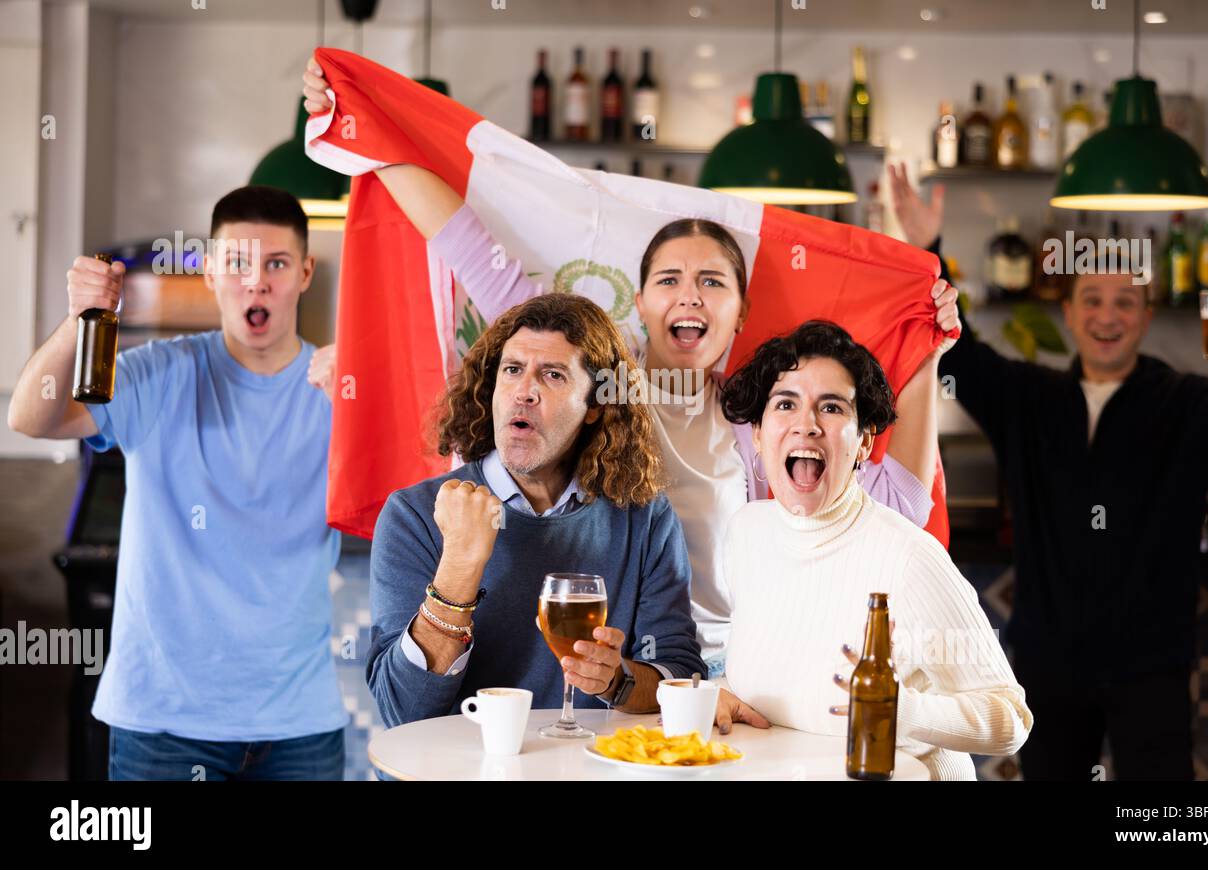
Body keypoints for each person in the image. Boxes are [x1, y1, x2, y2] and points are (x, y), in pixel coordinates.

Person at [300, 56, 960, 678]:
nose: (690, 296)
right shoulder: (586, 373)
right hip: (602, 669)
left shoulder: (759, 422)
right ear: (641, 303)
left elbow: (901, 499)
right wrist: (362, 126)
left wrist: (927, 347)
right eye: (670, 280)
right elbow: (468, 246)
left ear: (740, 310)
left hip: (735, 675)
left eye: (712, 282)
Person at [889, 163, 1208, 780]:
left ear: (1147, 314)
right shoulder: (1029, 398)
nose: (1108, 316)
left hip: (1151, 660)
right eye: (1093, 300)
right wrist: (929, 251)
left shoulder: (1183, 400)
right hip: (1049, 657)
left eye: (1125, 302)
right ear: (1071, 314)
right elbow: (960, 351)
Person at [7, 187, 347, 780]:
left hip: (299, 723)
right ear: (211, 273)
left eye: (276, 264)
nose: (256, 282)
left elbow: (429, 472)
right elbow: (31, 416)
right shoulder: (156, 373)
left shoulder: (335, 387)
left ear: (304, 273)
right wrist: (79, 318)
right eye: (237, 263)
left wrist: (368, 392)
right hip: (162, 721)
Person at [709, 321, 1033, 781]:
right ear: (758, 436)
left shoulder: (907, 558)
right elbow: (782, 667)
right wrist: (720, 693)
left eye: (832, 407)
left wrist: (903, 710)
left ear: (864, 441)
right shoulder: (746, 533)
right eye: (785, 404)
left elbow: (1010, 719)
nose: (807, 425)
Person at [367, 292, 706, 727]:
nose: (524, 392)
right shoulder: (414, 515)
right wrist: (459, 567)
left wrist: (615, 681)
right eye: (512, 371)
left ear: (595, 406)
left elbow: (679, 677)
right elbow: (403, 710)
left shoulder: (645, 518)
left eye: (552, 375)